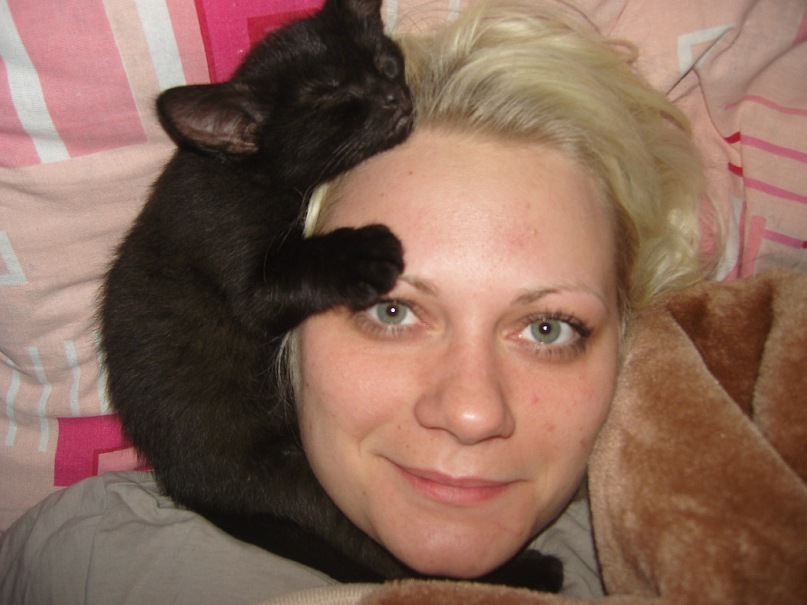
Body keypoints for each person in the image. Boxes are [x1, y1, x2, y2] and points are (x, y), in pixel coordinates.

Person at [0, 1, 711, 602]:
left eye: (547, 327)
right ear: (289, 348)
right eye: (391, 310)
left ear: (633, 336)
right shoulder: (95, 564)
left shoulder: (700, 534)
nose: (470, 413)